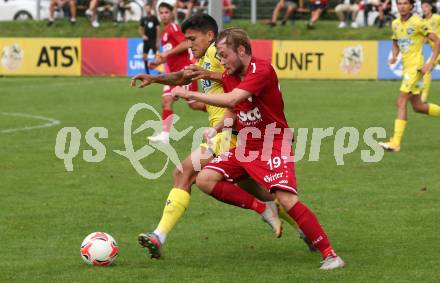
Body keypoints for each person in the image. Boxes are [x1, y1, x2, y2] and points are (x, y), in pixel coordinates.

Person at [171, 27, 345, 270]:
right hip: (248, 145)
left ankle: (331, 255)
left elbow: (232, 99)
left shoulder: (260, 70)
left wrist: (189, 94)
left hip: (273, 143)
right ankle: (262, 208)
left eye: (224, 54)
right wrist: (218, 128)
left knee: (286, 198)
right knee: (205, 179)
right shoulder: (231, 74)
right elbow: (235, 109)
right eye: (219, 56)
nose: (221, 61)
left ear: (241, 50)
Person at [131, 14, 284, 259]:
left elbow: (237, 79)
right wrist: (154, 78)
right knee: (263, 191)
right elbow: (184, 76)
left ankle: (159, 236)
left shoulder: (216, 52)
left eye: (192, 38)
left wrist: (207, 75)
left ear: (210, 36)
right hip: (228, 132)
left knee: (184, 172)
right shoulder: (205, 58)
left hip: (230, 131)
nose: (189, 44)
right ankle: (302, 227)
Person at [379, 0, 440, 152]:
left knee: (400, 101)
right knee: (418, 106)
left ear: (411, 6)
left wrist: (430, 63)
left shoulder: (418, 22)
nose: (402, 6)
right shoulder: (395, 24)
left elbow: (437, 40)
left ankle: (395, 143)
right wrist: (394, 56)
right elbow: (395, 41)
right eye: (399, 3)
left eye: (405, 3)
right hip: (408, 69)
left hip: (416, 68)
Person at [147, 2, 202, 144]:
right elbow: (170, 54)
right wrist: (158, 62)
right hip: (174, 75)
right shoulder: (165, 31)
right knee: (166, 100)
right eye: (161, 13)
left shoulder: (174, 28)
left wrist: (167, 53)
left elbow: (186, 43)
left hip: (185, 73)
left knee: (194, 105)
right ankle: (164, 136)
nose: (164, 15)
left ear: (172, 13)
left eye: (166, 12)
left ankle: (223, 111)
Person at [421, 0, 440, 102]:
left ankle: (423, 98)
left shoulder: (437, 18)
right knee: (426, 71)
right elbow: (424, 38)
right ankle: (423, 99)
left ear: (430, 8)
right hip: (435, 52)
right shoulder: (422, 23)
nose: (424, 8)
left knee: (427, 70)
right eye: (422, 7)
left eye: (426, 6)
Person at [139, 3, 160, 74]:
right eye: (146, 8)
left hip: (153, 40)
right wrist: (143, 35)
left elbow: (158, 29)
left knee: (157, 56)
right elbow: (140, 29)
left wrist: (157, 40)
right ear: (145, 9)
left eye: (148, 8)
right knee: (144, 56)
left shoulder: (154, 18)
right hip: (146, 41)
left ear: (151, 8)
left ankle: (159, 71)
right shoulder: (143, 19)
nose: (147, 9)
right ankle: (147, 72)